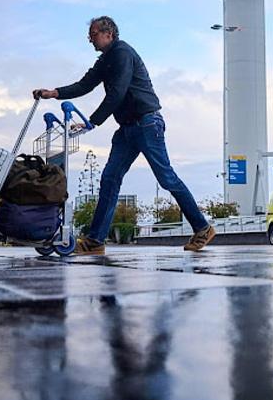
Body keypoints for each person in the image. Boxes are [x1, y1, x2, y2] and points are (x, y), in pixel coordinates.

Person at [33, 16, 214, 255]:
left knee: (166, 178)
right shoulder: (105, 59)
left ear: (108, 33)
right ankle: (95, 241)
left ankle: (202, 228)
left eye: (94, 34)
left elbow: (117, 92)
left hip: (147, 124)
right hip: (127, 129)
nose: (90, 39)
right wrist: (54, 92)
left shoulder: (122, 53)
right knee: (109, 179)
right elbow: (85, 84)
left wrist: (92, 122)